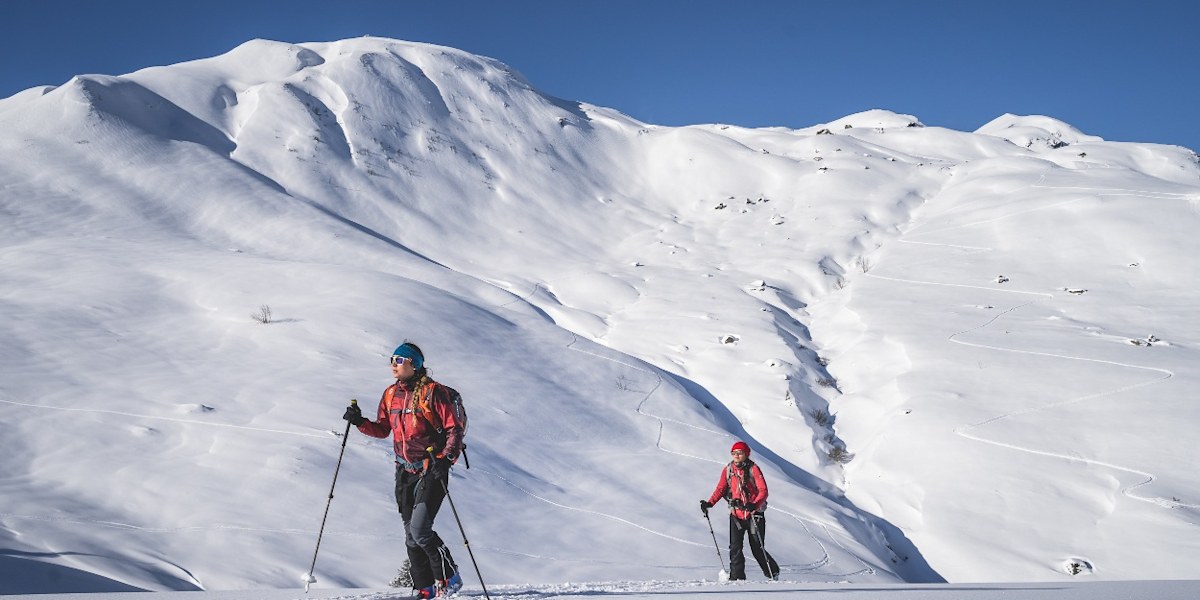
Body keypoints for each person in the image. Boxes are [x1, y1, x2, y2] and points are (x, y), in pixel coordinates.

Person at [343, 342, 466, 599]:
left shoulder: (434, 393)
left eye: (399, 359)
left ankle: (449, 577)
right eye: (392, 359)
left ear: (415, 363)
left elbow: (455, 428)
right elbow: (382, 429)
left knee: (420, 529)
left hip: (432, 469)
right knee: (411, 535)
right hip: (404, 471)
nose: (393, 363)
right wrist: (360, 422)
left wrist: (446, 458)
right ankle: (425, 588)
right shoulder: (390, 394)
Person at [700, 441, 780, 581]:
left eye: (740, 452)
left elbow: (763, 491)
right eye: (734, 453)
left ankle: (773, 573)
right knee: (735, 547)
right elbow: (721, 489)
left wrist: (754, 505)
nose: (736, 455)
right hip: (736, 514)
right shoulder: (728, 470)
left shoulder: (753, 469)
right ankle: (737, 578)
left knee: (757, 548)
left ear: (746, 454)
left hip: (755, 515)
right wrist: (709, 503)